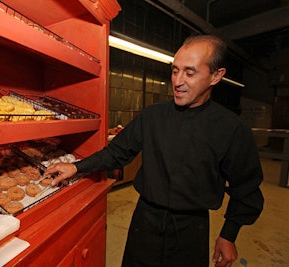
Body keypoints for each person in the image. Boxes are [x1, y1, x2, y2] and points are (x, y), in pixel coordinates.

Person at [44, 35, 264, 267]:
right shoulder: (152, 116)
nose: (178, 81)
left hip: (191, 229)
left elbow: (246, 188)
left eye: (190, 73)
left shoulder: (231, 129)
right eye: (175, 70)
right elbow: (116, 153)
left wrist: (229, 234)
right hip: (145, 222)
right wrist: (76, 167)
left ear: (216, 76)